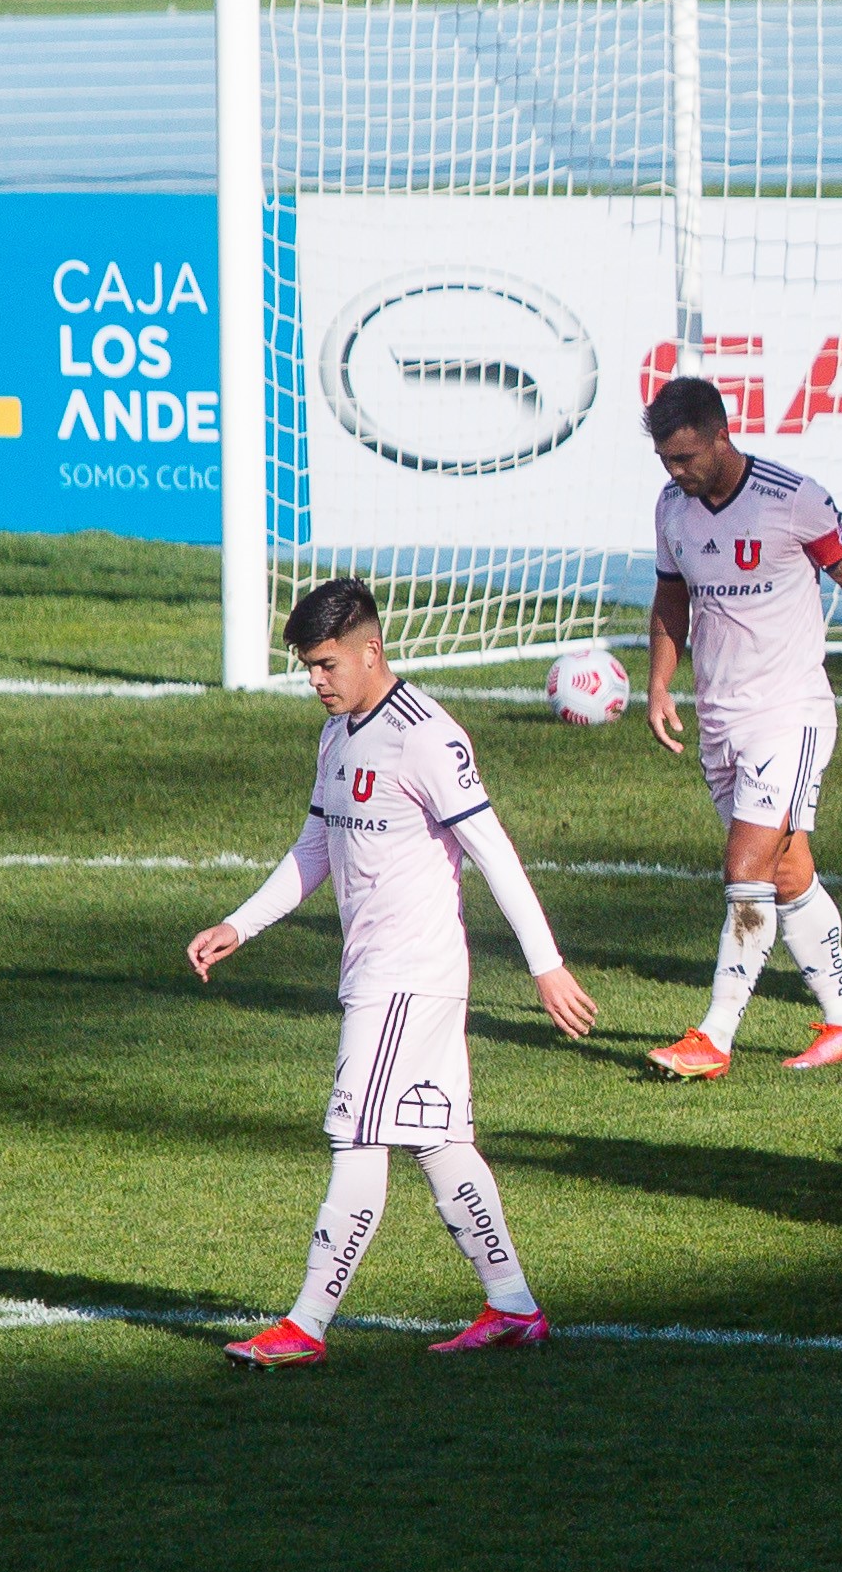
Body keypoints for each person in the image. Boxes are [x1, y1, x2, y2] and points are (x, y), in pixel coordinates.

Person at [188, 579, 601, 1368]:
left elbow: (494, 854)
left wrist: (546, 966)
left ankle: (306, 1325)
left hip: (406, 979)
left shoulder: (425, 738)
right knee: (438, 1141)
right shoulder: (338, 733)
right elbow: (316, 846)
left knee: (355, 1137)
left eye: (327, 664)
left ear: (371, 650)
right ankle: (514, 1307)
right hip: (383, 974)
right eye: (309, 667)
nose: (316, 680)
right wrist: (241, 922)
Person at [639, 377, 842, 1080]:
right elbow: (670, 597)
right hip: (721, 719)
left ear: (721, 436)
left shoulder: (792, 498)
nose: (676, 472)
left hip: (790, 716)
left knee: (745, 869)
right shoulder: (672, 508)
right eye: (665, 461)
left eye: (685, 457)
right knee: (787, 873)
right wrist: (658, 683)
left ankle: (714, 1037)